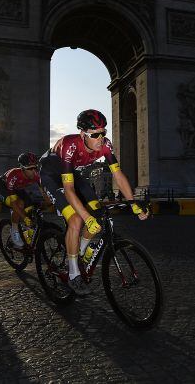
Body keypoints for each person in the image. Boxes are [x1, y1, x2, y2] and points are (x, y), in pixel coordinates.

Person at [38, 109, 148, 295]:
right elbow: (69, 189)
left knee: (99, 215)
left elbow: (118, 176)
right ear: (83, 134)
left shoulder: (106, 146)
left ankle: (79, 250)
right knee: (76, 219)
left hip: (72, 175)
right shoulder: (69, 145)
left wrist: (134, 204)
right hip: (51, 175)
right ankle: (73, 274)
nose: (100, 138)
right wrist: (85, 217)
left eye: (103, 132)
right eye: (95, 134)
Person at [0, 152, 49, 248]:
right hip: (4, 190)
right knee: (19, 205)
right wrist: (24, 218)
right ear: (22, 168)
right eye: (30, 169)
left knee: (31, 211)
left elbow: (45, 195)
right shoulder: (14, 175)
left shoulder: (37, 176)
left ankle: (26, 235)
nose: (34, 171)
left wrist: (49, 203)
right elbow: (14, 203)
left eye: (35, 167)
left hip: (18, 189)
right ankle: (15, 231)